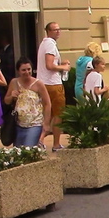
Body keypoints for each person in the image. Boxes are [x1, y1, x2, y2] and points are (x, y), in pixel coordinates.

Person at [37, 22, 71, 151]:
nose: (58, 32)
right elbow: (49, 65)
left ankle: (39, 140)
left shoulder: (44, 43)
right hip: (53, 84)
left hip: (45, 83)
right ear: (48, 31)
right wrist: (64, 67)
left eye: (59, 29)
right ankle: (56, 144)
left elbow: (50, 63)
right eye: (55, 30)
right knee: (58, 114)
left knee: (48, 114)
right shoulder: (50, 45)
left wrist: (60, 63)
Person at [4, 57, 51, 147]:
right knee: (18, 152)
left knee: (28, 148)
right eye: (23, 70)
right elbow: (6, 101)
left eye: (29, 69)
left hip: (35, 123)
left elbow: (47, 103)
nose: (27, 72)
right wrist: (11, 96)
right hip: (18, 124)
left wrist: (46, 123)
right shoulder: (14, 82)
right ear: (18, 71)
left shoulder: (38, 84)